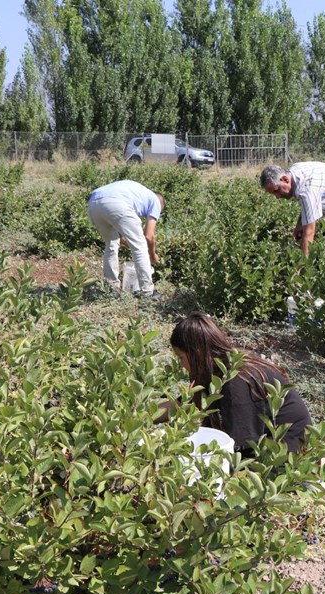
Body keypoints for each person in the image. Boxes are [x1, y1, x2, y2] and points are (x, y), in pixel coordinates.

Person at [170, 312, 312, 455]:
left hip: (287, 455)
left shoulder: (237, 383)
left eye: (181, 357)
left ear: (197, 353)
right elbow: (183, 404)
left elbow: (241, 446)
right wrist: (149, 413)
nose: (181, 365)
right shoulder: (219, 368)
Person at [86, 180, 164, 298]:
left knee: (111, 243)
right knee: (140, 246)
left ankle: (111, 287)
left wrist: (131, 244)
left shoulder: (138, 193)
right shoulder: (156, 202)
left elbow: (121, 238)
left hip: (94, 203)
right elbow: (149, 236)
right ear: (161, 204)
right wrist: (152, 255)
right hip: (117, 203)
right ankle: (148, 291)